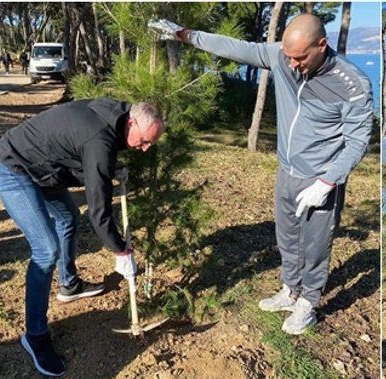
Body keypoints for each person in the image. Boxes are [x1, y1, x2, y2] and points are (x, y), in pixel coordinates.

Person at [148, 14, 373, 335]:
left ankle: (308, 302)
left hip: (320, 179)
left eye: (299, 58)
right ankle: (290, 289)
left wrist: (327, 182)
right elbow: (234, 48)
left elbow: (357, 142)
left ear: (322, 45)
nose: (292, 65)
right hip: (287, 171)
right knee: (287, 237)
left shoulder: (351, 84)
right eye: (288, 56)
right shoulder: (281, 56)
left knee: (315, 245)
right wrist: (183, 34)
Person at [0, 99, 164, 377]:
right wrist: (120, 251)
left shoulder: (116, 117)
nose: (145, 149)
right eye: (143, 141)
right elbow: (99, 211)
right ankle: (35, 335)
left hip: (44, 168)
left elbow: (86, 156)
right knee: (46, 251)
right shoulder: (100, 139)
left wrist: (109, 170)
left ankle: (69, 285)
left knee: (68, 217)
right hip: (14, 167)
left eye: (150, 144)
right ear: (132, 122)